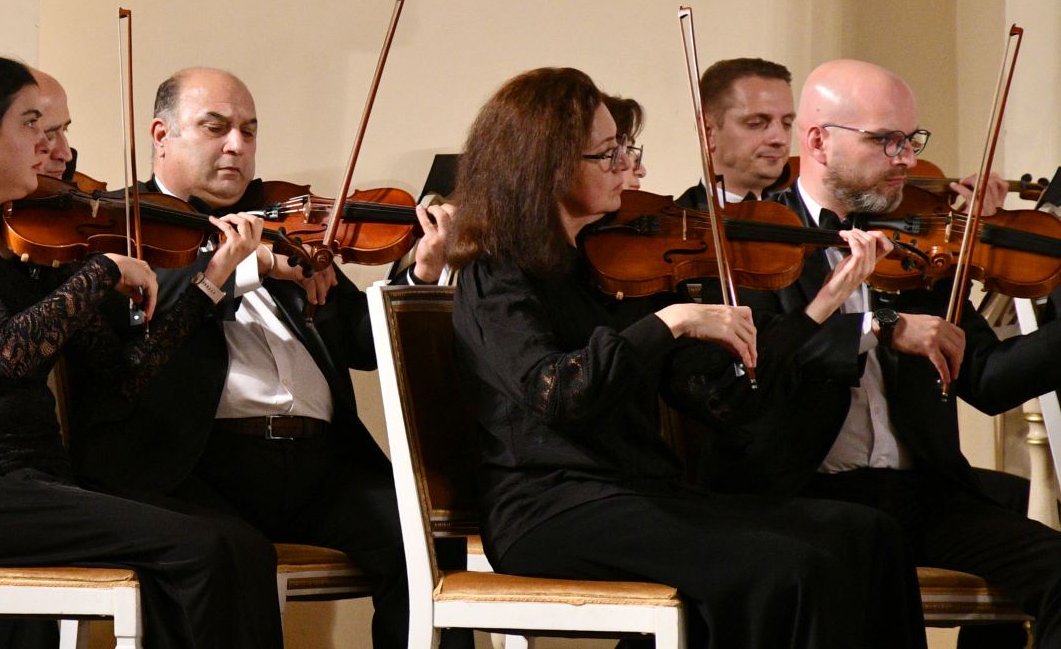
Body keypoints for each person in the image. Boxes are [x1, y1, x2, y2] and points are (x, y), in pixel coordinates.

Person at [449, 66, 924, 649]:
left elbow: (721, 400)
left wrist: (817, 310)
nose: (630, 166)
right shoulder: (496, 276)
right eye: (608, 154)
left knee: (868, 534)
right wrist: (669, 322)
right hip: (551, 506)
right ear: (546, 168)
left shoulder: (617, 265)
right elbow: (559, 393)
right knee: (790, 569)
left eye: (625, 148)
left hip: (644, 494)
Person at [0, 55, 282, 649]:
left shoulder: (24, 247)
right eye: (33, 125)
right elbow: (8, 351)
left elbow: (123, 378)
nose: (50, 146)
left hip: (42, 480)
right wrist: (100, 272)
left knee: (242, 541)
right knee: (205, 549)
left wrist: (209, 281)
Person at [69, 67, 448, 649]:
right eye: (216, 127)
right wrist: (242, 266)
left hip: (320, 466)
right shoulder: (120, 224)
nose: (236, 146)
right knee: (228, 555)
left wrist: (420, 269)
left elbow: (366, 347)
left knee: (424, 535)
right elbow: (148, 317)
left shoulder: (284, 222)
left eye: (248, 131)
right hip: (198, 464)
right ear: (161, 135)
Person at [705, 58, 1061, 647]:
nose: (906, 159)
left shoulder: (917, 244)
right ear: (818, 141)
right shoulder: (755, 240)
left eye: (911, 140)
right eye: (885, 141)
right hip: (799, 495)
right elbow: (758, 365)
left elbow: (990, 378)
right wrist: (876, 323)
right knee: (864, 564)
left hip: (921, 496)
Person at [678, 58, 796, 209]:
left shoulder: (809, 220)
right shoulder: (674, 228)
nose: (780, 138)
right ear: (707, 131)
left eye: (787, 123)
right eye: (756, 123)